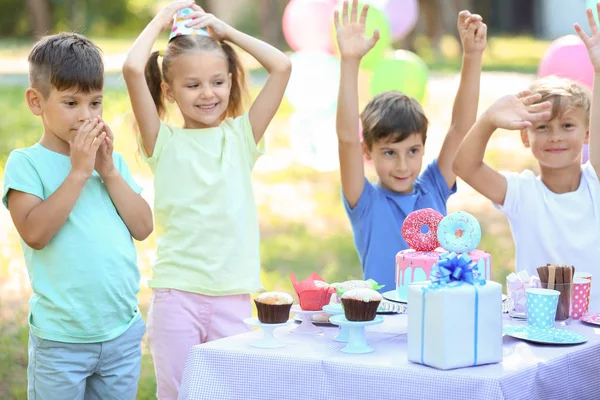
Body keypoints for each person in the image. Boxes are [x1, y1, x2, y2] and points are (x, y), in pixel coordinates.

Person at [122, 1, 291, 398]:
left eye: (218, 81)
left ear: (231, 81)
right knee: (178, 393)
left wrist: (226, 32)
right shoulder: (162, 141)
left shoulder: (241, 137)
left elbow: (281, 66)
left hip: (233, 297)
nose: (207, 94)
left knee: (230, 392)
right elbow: (132, 68)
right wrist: (161, 21)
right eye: (192, 84)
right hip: (176, 295)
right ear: (168, 90)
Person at [2, 32, 153, 399]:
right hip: (62, 341)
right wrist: (79, 173)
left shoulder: (110, 164)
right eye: (71, 102)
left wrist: (109, 172)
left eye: (95, 103)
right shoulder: (26, 164)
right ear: (36, 103)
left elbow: (144, 226)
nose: (86, 116)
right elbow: (35, 233)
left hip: (120, 332)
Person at [453, 5, 600, 309]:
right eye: (543, 127)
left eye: (567, 126)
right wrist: (489, 119)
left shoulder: (595, 182)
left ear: (587, 134)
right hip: (538, 330)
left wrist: (598, 70)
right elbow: (464, 166)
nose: (556, 136)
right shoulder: (522, 192)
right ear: (525, 136)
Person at [334, 0, 487, 290]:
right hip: (383, 324)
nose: (403, 166)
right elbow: (347, 140)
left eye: (412, 151)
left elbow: (460, 129)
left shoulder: (433, 187)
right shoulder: (365, 202)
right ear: (368, 152)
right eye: (390, 153)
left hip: (438, 319)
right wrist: (350, 61)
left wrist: (473, 55)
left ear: (423, 148)